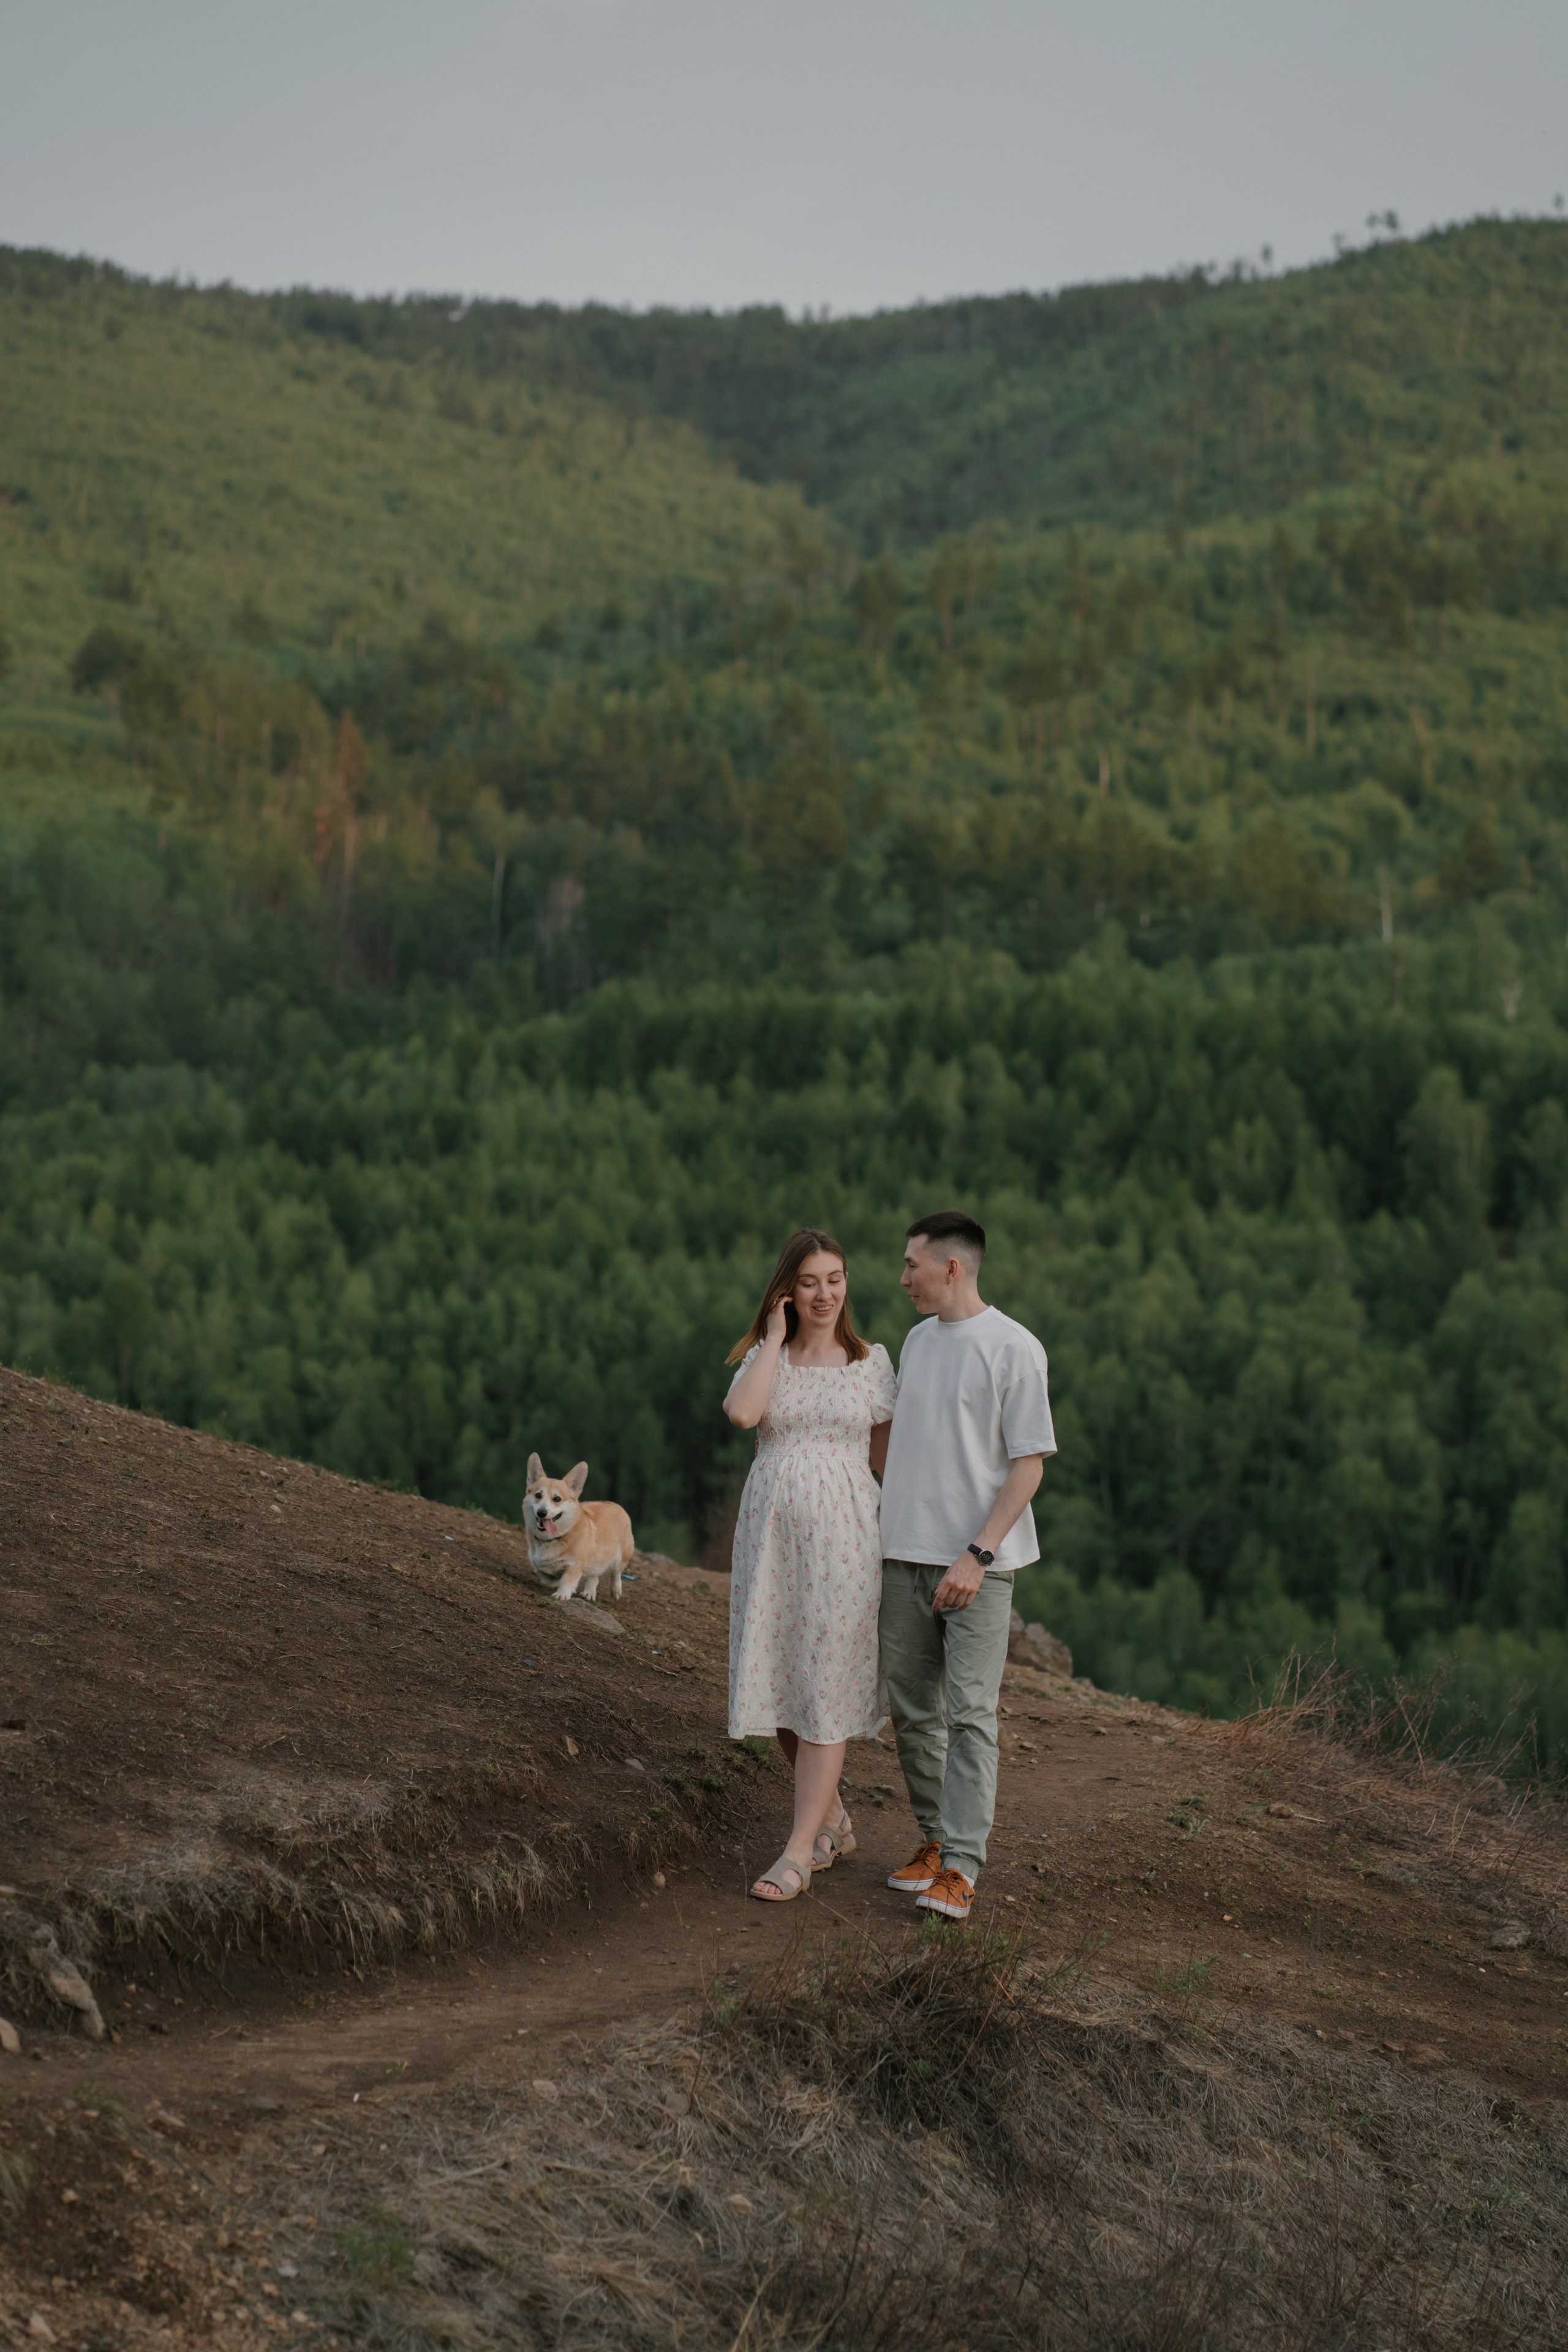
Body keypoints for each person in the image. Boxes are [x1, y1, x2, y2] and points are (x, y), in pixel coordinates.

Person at [878, 1210, 1055, 1926]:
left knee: (972, 1717)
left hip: (977, 1565)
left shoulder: (1015, 1348)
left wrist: (977, 1555)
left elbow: (1029, 1465)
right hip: (903, 1557)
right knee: (912, 1709)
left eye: (912, 1265)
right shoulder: (917, 1344)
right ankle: (933, 1839)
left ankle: (960, 1868)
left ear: (952, 1268)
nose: (902, 1278)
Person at [723, 1228, 898, 1902]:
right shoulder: (771, 1360)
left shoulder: (870, 1364)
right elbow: (742, 1414)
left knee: (823, 1684)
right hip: (769, 1546)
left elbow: (886, 1460)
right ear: (785, 1291)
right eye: (808, 1282)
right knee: (781, 1675)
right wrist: (773, 1337)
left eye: (835, 1279)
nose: (824, 1294)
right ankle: (831, 1821)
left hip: (846, 1546)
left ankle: (799, 1851)